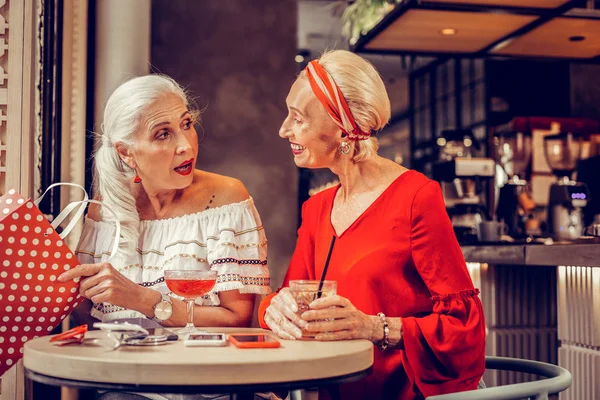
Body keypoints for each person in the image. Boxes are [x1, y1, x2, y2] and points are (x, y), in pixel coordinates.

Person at [259, 50, 486, 400]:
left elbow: (465, 331)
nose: (283, 129)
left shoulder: (416, 197)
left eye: (298, 118)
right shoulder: (316, 209)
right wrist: (274, 310)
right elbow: (290, 299)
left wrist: (373, 327)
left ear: (342, 127)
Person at [58, 75, 271, 400]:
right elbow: (87, 312)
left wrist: (141, 300)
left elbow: (237, 320)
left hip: (204, 387)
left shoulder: (227, 199)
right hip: (124, 382)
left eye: (186, 124)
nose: (186, 144)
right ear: (127, 153)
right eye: (163, 134)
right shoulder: (105, 206)